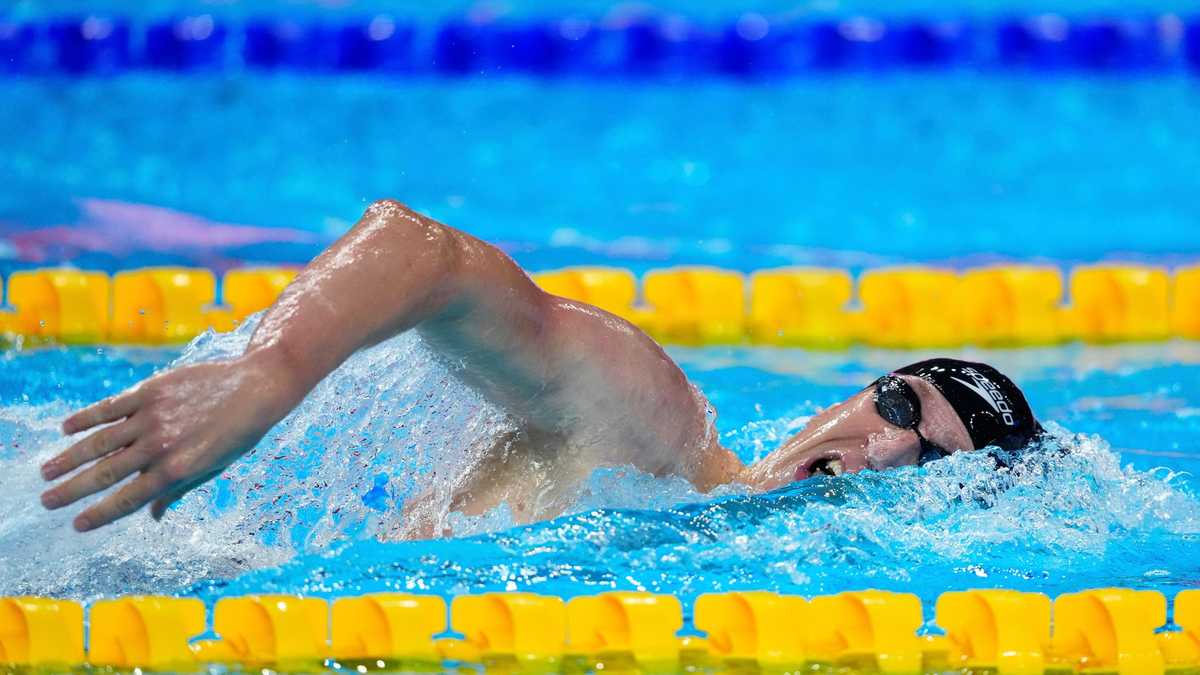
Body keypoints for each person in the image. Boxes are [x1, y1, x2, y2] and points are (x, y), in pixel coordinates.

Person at [39, 199, 1042, 536]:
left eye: (932, 460)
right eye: (899, 405)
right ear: (851, 393)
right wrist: (272, 371)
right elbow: (424, 252)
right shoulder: (655, 428)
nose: (887, 451)